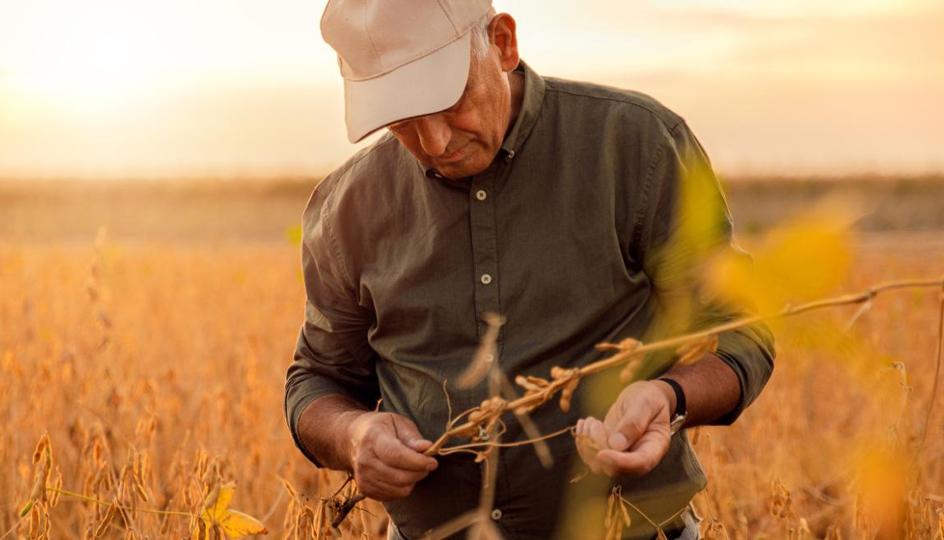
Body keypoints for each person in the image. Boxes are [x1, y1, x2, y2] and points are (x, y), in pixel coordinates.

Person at [284, 1, 775, 538]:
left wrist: (668, 398)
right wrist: (353, 435)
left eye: (449, 103)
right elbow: (318, 379)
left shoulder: (639, 145)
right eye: (403, 124)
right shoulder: (346, 206)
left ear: (502, 43)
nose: (436, 144)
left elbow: (741, 332)